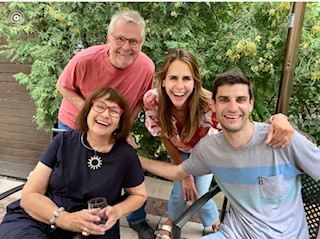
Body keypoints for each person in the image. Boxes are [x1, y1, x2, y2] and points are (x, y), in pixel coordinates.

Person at [140, 69, 320, 239]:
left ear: (250, 104)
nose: (232, 107)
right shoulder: (209, 149)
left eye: (240, 99)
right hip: (232, 234)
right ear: (213, 105)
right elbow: (176, 172)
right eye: (224, 100)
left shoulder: (283, 139)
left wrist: (278, 117)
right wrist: (133, 158)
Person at [56, 10, 155, 238]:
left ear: (142, 43)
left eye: (134, 41)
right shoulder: (85, 59)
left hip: (114, 125)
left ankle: (136, 219)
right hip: (74, 122)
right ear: (109, 37)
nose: (126, 47)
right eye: (120, 39)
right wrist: (93, 114)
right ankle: (68, 218)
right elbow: (63, 86)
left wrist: (124, 128)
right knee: (70, 173)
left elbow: (141, 100)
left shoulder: (147, 67)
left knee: (127, 168)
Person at [0, 87, 147, 239]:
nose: (105, 114)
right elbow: (30, 194)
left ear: (120, 122)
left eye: (114, 111)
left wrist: (116, 211)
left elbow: (139, 195)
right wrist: (64, 219)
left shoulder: (126, 155)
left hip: (93, 226)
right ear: (88, 111)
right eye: (100, 106)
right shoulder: (63, 141)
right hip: (42, 216)